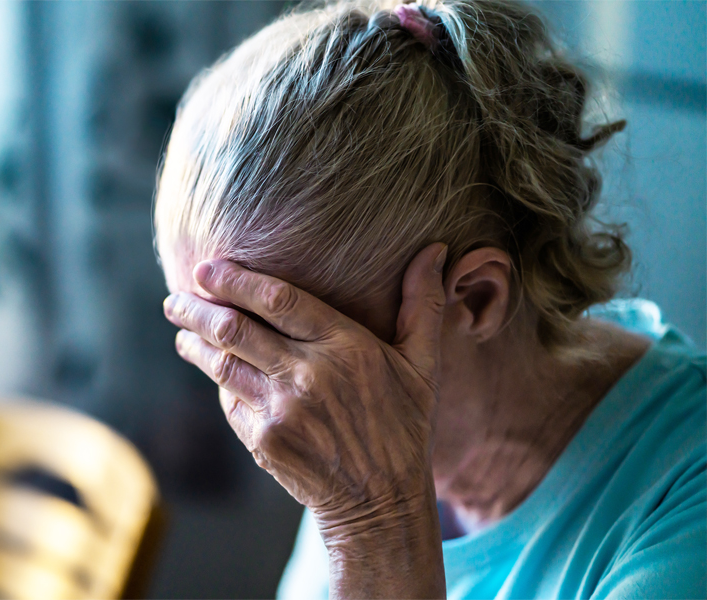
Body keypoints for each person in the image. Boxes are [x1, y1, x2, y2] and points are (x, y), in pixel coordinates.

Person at [154, 0, 707, 597]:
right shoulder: (343, 421)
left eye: (280, 349)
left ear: (474, 299)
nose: (266, 414)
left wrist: (375, 524)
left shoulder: (680, 504)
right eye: (223, 349)